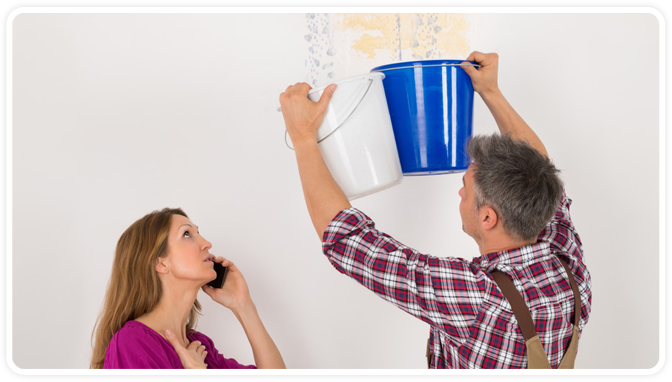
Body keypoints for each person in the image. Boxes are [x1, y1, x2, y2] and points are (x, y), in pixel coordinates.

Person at [278, 51, 592, 369]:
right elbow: (538, 167)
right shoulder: (565, 260)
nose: (459, 192)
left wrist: (304, 136)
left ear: (487, 217)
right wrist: (490, 91)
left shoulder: (477, 298)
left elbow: (348, 241)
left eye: (466, 189)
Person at [90, 207, 286, 369]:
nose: (207, 244)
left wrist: (243, 306)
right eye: (187, 234)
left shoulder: (201, 348)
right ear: (160, 263)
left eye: (198, 233)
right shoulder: (132, 342)